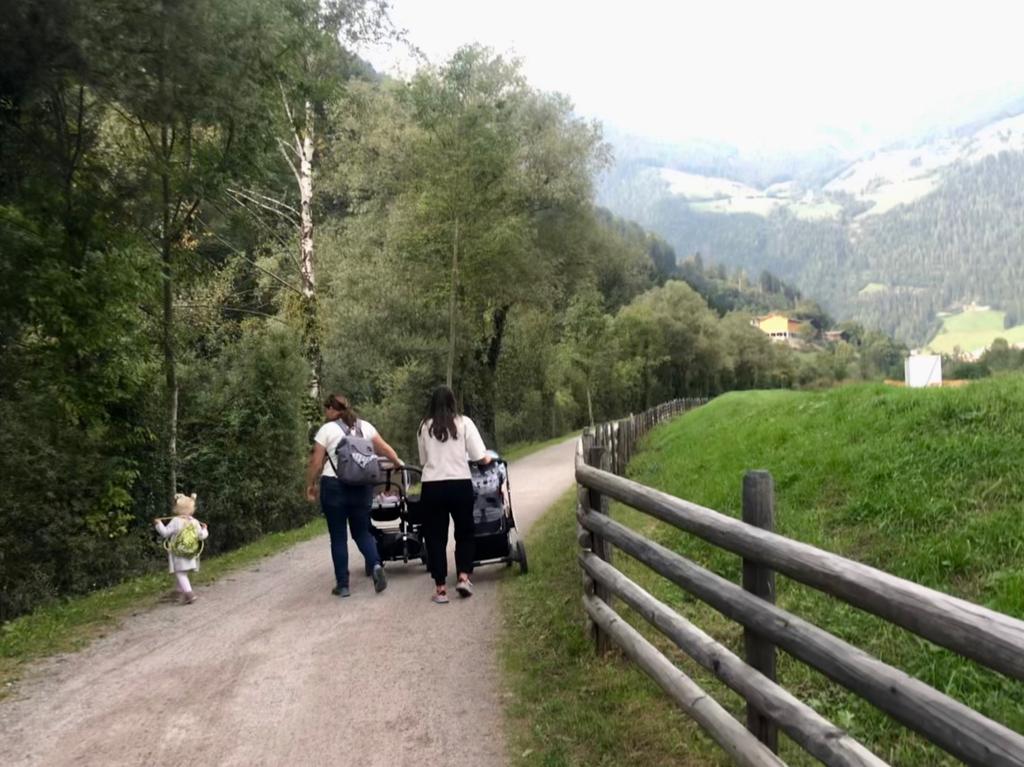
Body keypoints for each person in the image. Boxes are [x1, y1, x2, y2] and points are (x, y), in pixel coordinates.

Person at [305, 393, 402, 598]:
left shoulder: (326, 430)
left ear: (332, 409)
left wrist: (311, 484)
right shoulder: (365, 427)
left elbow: (316, 462)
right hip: (361, 487)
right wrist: (397, 462)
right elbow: (383, 448)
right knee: (362, 533)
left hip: (334, 488)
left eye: (326, 408)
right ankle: (376, 566)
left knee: (338, 537)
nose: (325, 412)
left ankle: (343, 585)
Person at [417, 385, 491, 604]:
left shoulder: (424, 426)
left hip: (432, 486)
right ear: (453, 402)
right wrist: (488, 460)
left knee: (435, 537)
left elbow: (423, 461)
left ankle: (440, 589)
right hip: (460, 483)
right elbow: (479, 455)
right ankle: (463, 577)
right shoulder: (464, 423)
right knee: (465, 531)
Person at [154, 493, 209, 605]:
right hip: (191, 552)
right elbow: (201, 536)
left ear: (176, 509)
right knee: (183, 572)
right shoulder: (194, 522)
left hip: (179, 553)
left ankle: (189, 594)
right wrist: (205, 530)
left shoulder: (176, 521)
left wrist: (158, 524)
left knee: (180, 573)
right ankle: (179, 592)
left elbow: (165, 533)